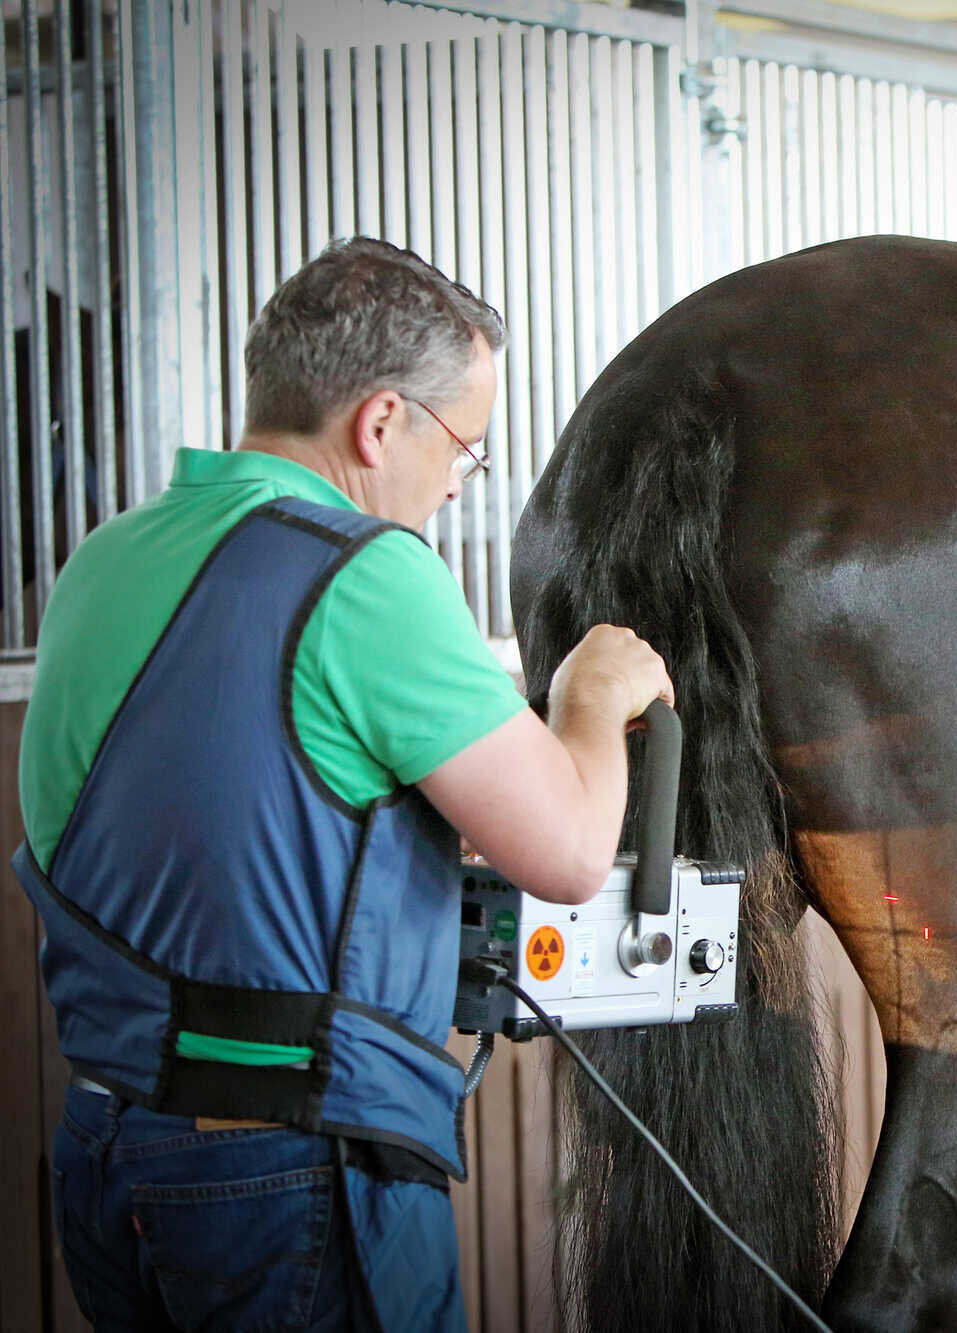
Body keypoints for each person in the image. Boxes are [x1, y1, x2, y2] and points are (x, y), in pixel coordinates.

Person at [15, 237, 670, 1331]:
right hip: (285, 1166)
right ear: (379, 424)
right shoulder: (365, 572)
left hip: (108, 1147)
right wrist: (588, 704)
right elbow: (561, 851)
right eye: (465, 446)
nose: (458, 477)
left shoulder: (109, 554)